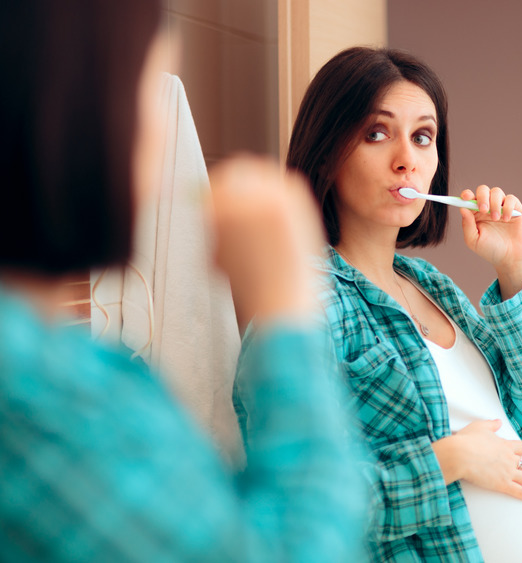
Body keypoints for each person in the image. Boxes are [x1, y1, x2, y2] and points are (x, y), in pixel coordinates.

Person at [0, 2, 366, 561]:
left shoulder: (72, 372)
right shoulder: (36, 392)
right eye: (150, 84)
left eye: (424, 136)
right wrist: (284, 310)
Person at [279, 46, 522, 561]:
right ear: (328, 151)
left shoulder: (432, 287)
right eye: (377, 133)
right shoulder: (305, 302)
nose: (408, 159)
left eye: (423, 136)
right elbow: (299, 506)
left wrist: (515, 271)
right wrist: (450, 460)